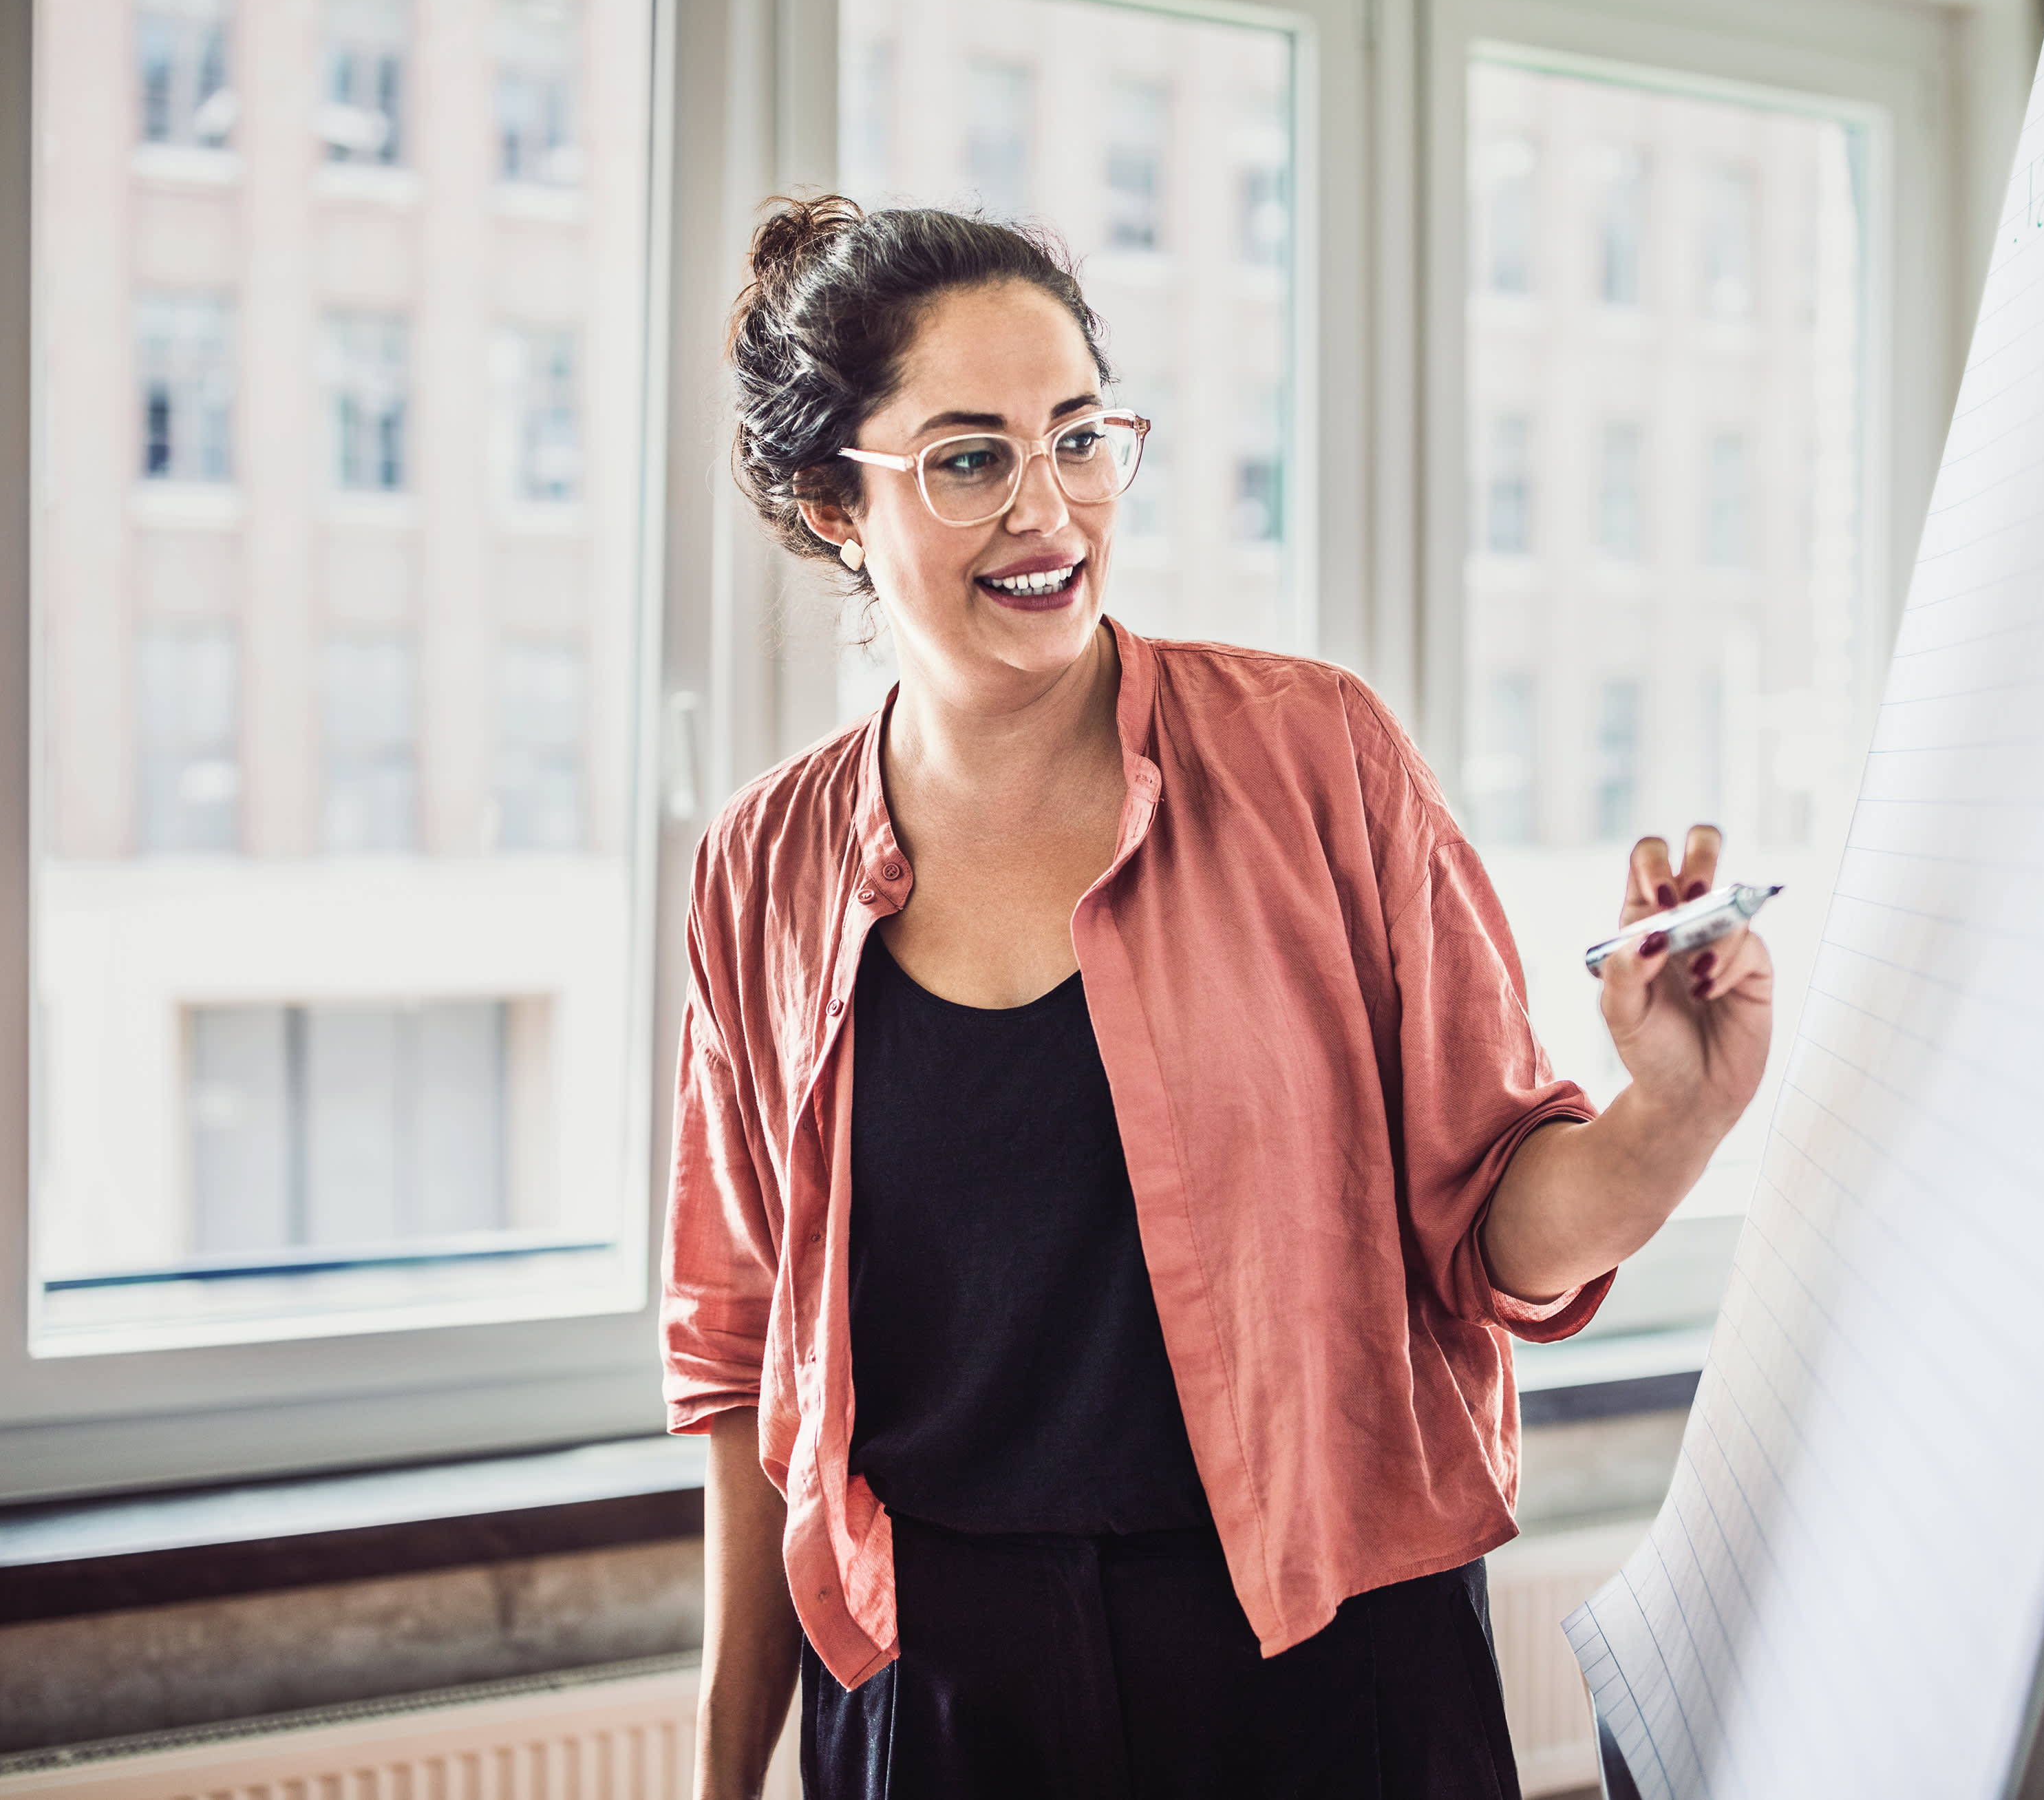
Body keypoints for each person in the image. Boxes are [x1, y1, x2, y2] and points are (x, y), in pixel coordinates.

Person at [664, 195, 1773, 1800]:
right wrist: (720, 1774)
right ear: (837, 502)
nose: (1047, 510)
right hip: (938, 1696)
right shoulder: (758, 868)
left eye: (1078, 438)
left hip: (1325, 1660)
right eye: (969, 459)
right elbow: (741, 1357)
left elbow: (1492, 1231)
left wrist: (1672, 1112)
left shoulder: (1315, 758)